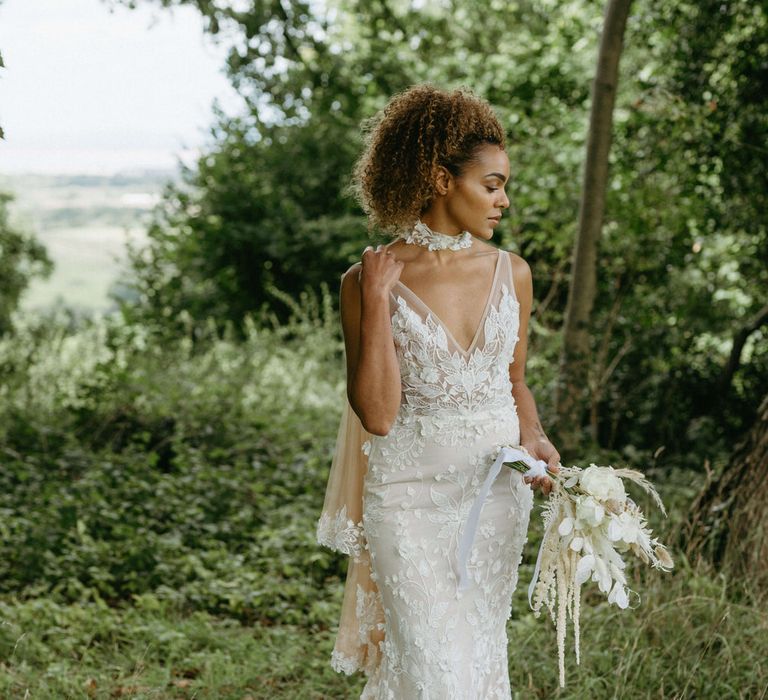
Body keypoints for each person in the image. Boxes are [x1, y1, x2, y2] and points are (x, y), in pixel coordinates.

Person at [316, 83, 561, 699]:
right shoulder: (366, 280)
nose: (504, 200)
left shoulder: (515, 273)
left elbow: (514, 382)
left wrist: (534, 436)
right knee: (430, 669)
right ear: (440, 178)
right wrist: (375, 300)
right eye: (493, 184)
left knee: (478, 654)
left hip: (496, 495)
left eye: (504, 186)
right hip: (407, 498)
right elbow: (375, 414)